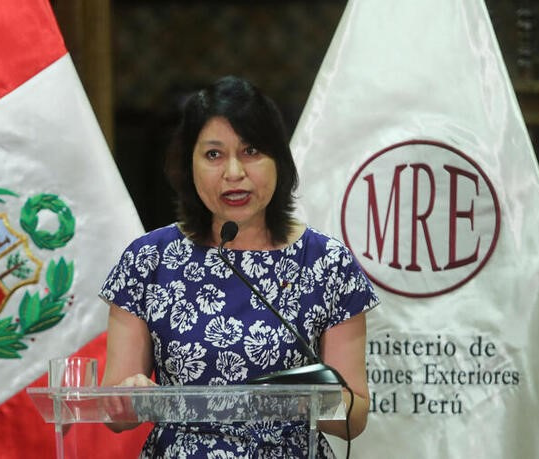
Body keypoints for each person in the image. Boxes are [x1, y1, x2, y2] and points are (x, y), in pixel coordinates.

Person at [99, 75, 379, 458]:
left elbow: (356, 414)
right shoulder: (149, 260)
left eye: (251, 151)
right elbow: (115, 411)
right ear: (188, 165)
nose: (234, 172)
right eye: (214, 154)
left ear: (278, 161)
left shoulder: (328, 264)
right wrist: (130, 394)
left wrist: (299, 400)